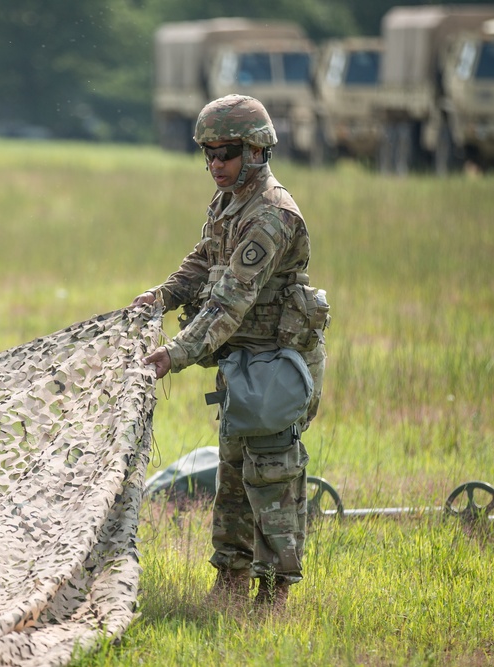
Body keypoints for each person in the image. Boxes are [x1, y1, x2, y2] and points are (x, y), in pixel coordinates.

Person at [132, 94, 328, 608]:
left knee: (272, 476)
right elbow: (202, 261)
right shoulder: (229, 202)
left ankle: (275, 594)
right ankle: (231, 580)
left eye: (227, 152)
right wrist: (163, 295)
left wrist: (172, 354)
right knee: (234, 474)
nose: (215, 164)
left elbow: (227, 304)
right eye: (209, 153)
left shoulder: (271, 216)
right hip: (243, 362)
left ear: (257, 150)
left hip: (277, 363)